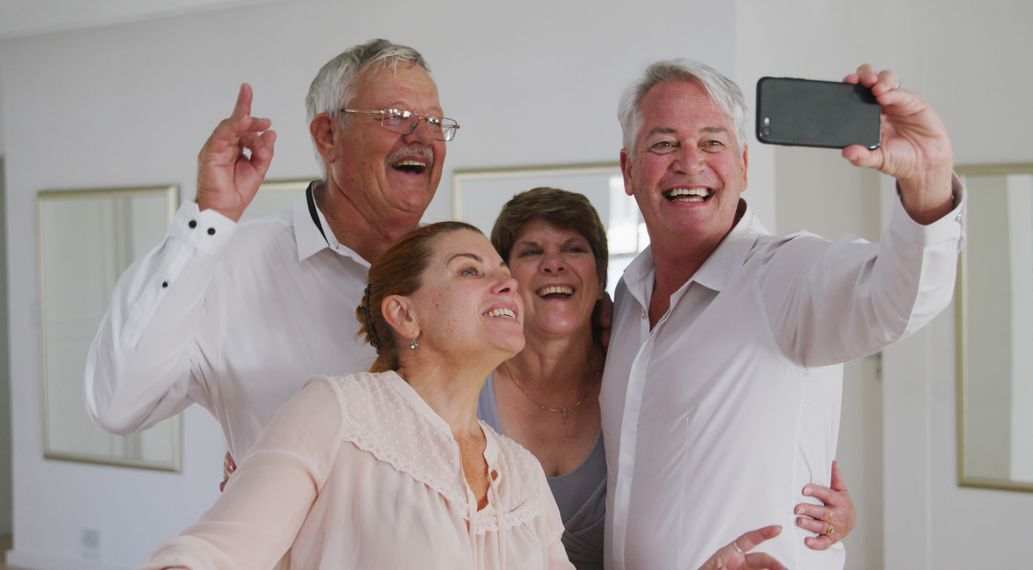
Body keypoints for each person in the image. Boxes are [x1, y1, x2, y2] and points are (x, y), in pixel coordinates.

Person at [142, 222, 784, 569]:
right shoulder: (335, 413)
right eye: (471, 272)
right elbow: (210, 555)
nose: (506, 286)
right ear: (405, 314)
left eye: (504, 274)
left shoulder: (521, 477)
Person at [601, 60, 964, 569]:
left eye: (712, 142)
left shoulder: (788, 274)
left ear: (744, 166)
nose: (690, 162)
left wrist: (927, 179)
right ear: (628, 171)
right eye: (663, 144)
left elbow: (897, 301)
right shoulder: (626, 298)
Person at [84, 39, 455, 459]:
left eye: (435, 122)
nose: (422, 136)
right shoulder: (230, 264)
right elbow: (116, 405)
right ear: (328, 136)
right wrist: (210, 217)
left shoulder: (462, 270)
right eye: (397, 117)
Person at [482, 188, 857, 569]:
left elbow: (728, 447)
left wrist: (819, 508)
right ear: (505, 280)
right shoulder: (469, 383)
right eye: (531, 252)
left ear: (599, 282)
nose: (553, 264)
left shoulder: (634, 372)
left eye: (573, 249)